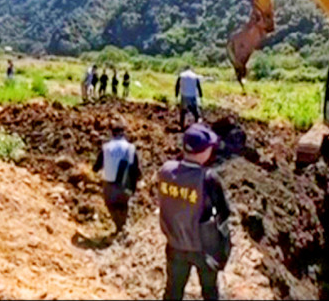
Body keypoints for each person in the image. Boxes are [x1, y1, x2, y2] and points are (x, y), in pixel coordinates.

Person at [158, 123, 231, 300]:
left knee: (173, 291)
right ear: (203, 152)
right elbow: (224, 211)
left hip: (175, 243)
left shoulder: (165, 171)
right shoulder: (207, 178)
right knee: (209, 290)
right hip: (202, 247)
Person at [92, 120, 141, 238]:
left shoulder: (106, 148)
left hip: (109, 186)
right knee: (124, 206)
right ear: (124, 134)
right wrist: (134, 185)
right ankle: (123, 229)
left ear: (112, 134)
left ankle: (119, 228)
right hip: (124, 185)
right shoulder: (130, 148)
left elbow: (96, 167)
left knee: (112, 206)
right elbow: (135, 169)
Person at [175, 66, 202, 131]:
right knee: (195, 111)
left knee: (183, 112)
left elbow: (177, 85)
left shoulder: (181, 75)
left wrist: (176, 94)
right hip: (192, 95)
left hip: (184, 95)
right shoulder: (195, 76)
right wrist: (200, 94)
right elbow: (198, 86)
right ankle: (197, 124)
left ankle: (182, 126)